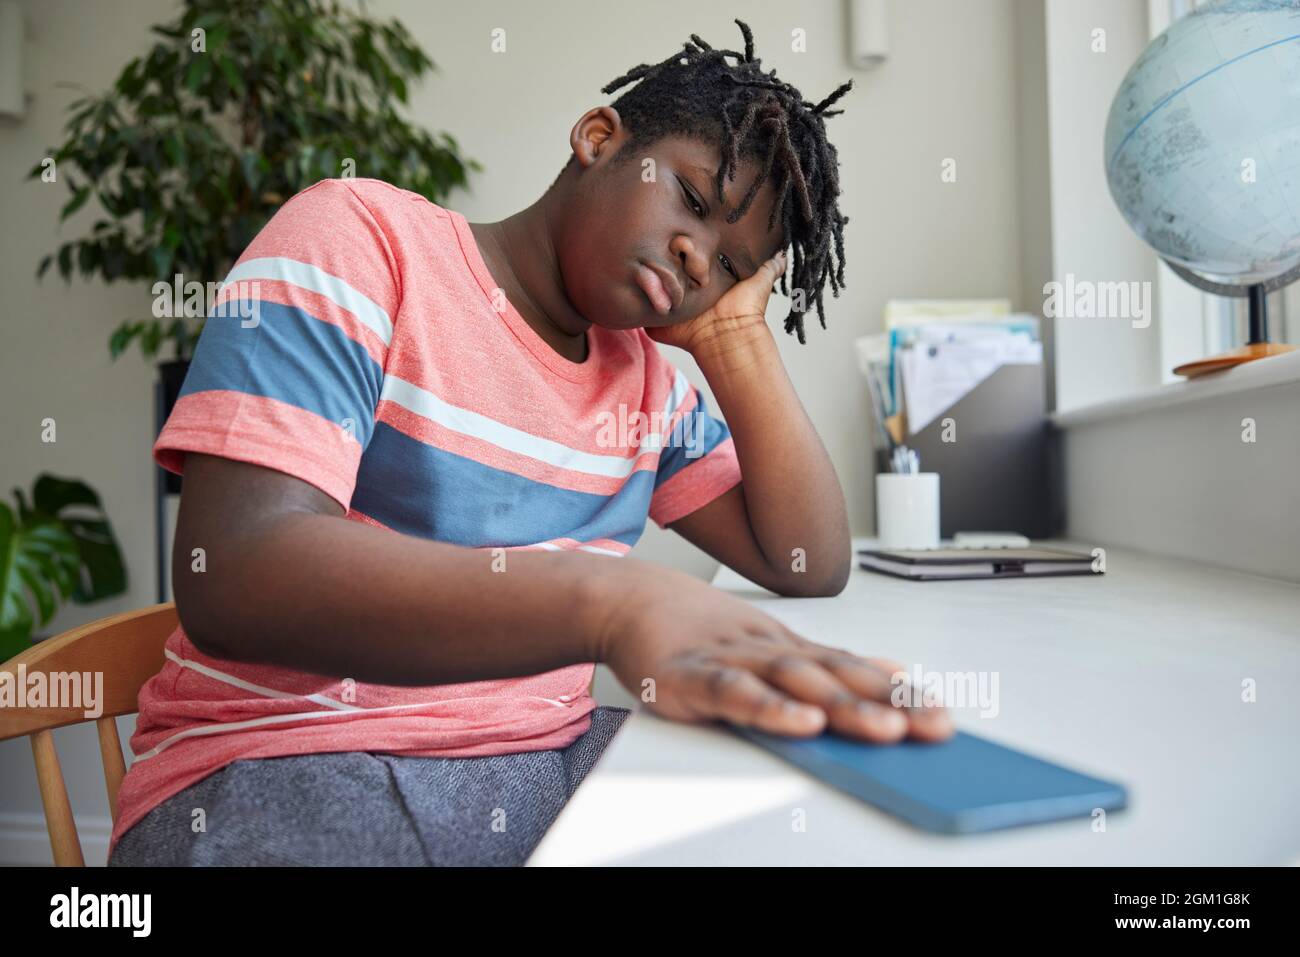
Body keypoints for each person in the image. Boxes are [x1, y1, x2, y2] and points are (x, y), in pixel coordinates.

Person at [108, 18, 953, 868]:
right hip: (290, 761)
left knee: (816, 813)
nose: (699, 261)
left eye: (731, 267)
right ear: (598, 138)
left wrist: (736, 340)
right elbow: (238, 571)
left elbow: (806, 559)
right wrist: (608, 602)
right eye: (692, 202)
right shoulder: (362, 241)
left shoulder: (648, 391)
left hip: (545, 757)